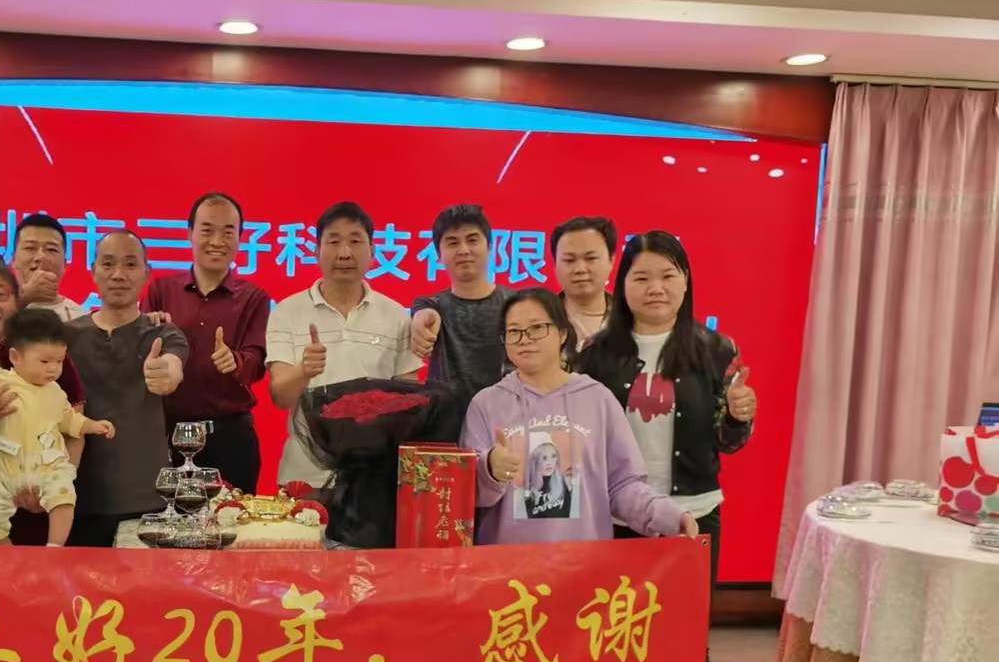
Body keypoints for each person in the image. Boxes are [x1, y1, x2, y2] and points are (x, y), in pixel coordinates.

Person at [578, 229, 756, 662]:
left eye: (668, 275)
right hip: (616, 522)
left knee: (686, 656)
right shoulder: (597, 354)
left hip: (692, 519)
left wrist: (740, 419)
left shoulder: (715, 349)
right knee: (611, 653)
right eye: (641, 277)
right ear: (622, 285)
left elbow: (727, 442)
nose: (655, 288)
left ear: (685, 282)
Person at [461, 287, 698, 547]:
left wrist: (668, 515)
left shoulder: (598, 399)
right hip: (507, 562)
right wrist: (490, 469)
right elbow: (466, 494)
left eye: (537, 328)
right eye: (514, 331)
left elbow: (623, 485)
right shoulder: (486, 404)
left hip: (584, 562)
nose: (525, 339)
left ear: (563, 333)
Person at [267, 201, 423, 490]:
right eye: (334, 241)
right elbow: (281, 397)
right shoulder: (286, 312)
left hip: (374, 478)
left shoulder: (396, 317)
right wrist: (303, 371)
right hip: (304, 477)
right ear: (316, 250)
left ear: (373, 251)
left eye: (355, 241)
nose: (344, 253)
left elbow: (408, 402)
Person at [65, 230, 189, 548]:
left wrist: (166, 373)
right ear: (93, 271)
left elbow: (173, 364)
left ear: (146, 273)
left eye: (130, 264)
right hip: (75, 499)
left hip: (147, 500)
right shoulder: (66, 337)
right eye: (108, 264)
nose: (119, 274)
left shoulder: (163, 332)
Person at [141, 192, 270, 493]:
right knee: (166, 517)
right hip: (167, 435)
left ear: (240, 238)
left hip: (229, 438)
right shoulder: (161, 290)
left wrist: (235, 361)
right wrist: (147, 334)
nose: (217, 241)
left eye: (228, 232)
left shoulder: (254, 298)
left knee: (232, 517)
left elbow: (257, 362)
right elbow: (140, 356)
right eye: (207, 230)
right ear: (189, 234)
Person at [0, 257, 87, 545]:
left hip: (40, 501)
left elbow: (74, 429)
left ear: (17, 301)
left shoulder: (47, 354)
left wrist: (56, 485)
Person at [0, 309, 115, 545]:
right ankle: (3, 556)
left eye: (59, 361)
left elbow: (69, 420)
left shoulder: (56, 392)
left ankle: (54, 547)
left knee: (63, 496)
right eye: (44, 362)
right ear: (15, 357)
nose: (53, 369)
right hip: (4, 467)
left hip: (46, 464)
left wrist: (93, 426)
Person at [409, 203, 509, 400]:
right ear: (438, 255)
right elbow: (424, 312)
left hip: (506, 413)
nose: (464, 250)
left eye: (472, 240)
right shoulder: (432, 305)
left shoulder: (516, 305)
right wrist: (422, 321)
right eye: (453, 243)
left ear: (489, 247)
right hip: (445, 416)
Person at [552, 216, 618, 351]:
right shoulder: (540, 319)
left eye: (591, 258)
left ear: (611, 261)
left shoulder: (633, 320)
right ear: (555, 264)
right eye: (569, 260)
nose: (580, 269)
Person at [13, 213, 85, 320]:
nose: (41, 256)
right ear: (13, 260)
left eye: (51, 249)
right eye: (30, 248)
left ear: (64, 264)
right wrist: (24, 297)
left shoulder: (81, 319)